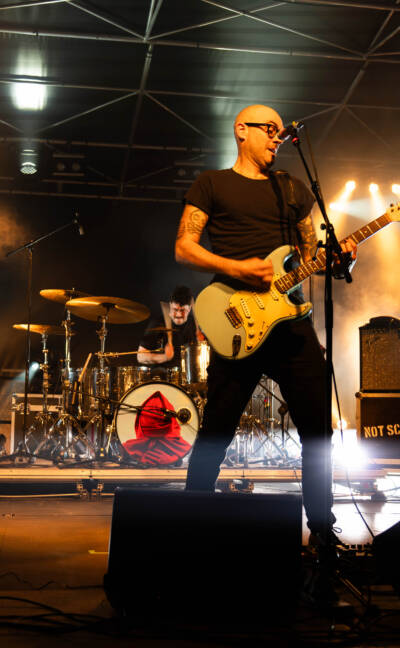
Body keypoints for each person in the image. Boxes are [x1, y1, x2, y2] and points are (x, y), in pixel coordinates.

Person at [174, 104, 355, 545]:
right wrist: (237, 268)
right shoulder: (212, 183)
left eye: (279, 131)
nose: (277, 137)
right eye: (268, 129)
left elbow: (310, 255)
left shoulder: (292, 189)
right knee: (218, 427)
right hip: (237, 319)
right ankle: (190, 520)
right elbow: (184, 248)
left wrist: (339, 259)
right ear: (242, 130)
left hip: (290, 322)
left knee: (318, 429)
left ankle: (322, 529)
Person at [136, 285, 200, 368]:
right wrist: (165, 357)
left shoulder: (195, 325)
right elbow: (140, 357)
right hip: (162, 373)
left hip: (189, 374)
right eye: (175, 309)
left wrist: (201, 344)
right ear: (170, 305)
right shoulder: (158, 323)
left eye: (183, 310)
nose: (178, 314)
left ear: (190, 308)